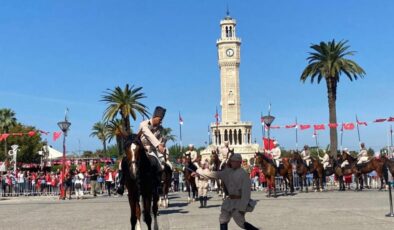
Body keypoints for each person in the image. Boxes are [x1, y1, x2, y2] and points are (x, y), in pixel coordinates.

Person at [193, 154, 259, 230]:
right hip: (229, 201)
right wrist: (199, 174)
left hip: (238, 202)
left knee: (240, 223)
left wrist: (242, 208)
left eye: (234, 161)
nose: (232, 163)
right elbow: (214, 174)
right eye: (232, 161)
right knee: (223, 219)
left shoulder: (243, 174)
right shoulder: (227, 172)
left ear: (239, 162)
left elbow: (246, 193)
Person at [117, 106, 167, 195]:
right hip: (139, 148)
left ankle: (158, 185)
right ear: (155, 117)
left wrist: (162, 145)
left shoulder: (161, 129)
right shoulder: (144, 124)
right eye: (160, 119)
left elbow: (162, 140)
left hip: (152, 150)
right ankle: (121, 184)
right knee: (122, 163)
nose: (161, 121)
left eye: (162, 119)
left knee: (159, 164)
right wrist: (158, 144)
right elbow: (147, 134)